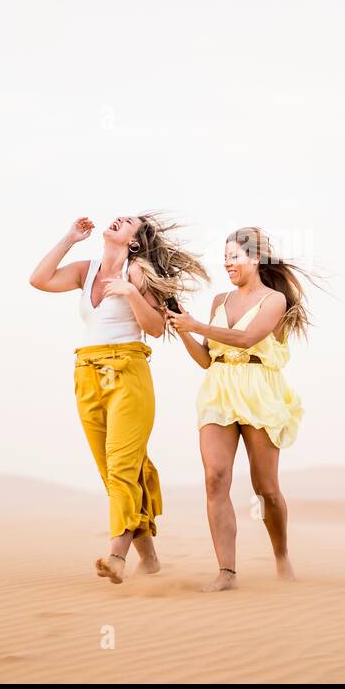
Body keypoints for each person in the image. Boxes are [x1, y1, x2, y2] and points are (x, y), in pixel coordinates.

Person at [29, 214, 208, 584]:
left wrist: (129, 292)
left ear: (134, 242)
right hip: (87, 372)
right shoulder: (86, 269)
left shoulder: (138, 273)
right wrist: (69, 238)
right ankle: (150, 558)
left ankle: (116, 556)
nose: (117, 219)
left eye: (127, 222)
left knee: (122, 466)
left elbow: (156, 329)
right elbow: (39, 279)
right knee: (113, 471)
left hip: (127, 369)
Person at [167, 227, 314, 591]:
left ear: (256, 258)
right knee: (215, 477)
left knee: (265, 487)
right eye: (225, 257)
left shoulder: (274, 300)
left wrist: (197, 324)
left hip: (258, 391)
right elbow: (205, 358)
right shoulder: (219, 301)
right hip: (218, 389)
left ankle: (280, 555)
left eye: (234, 256)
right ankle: (226, 572)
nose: (227, 263)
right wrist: (183, 327)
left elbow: (248, 338)